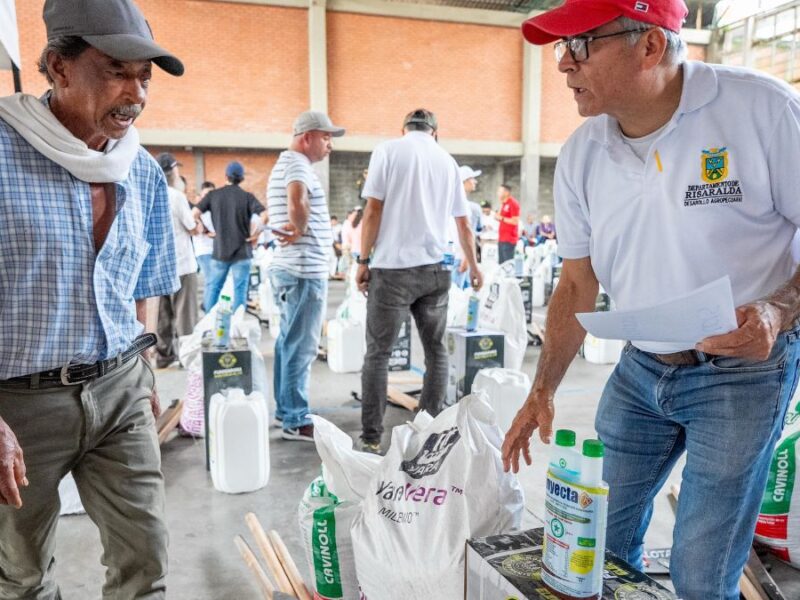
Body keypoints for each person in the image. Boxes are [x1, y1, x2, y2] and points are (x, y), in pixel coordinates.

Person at [502, 1, 800, 598]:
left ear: (650, 46)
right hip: (639, 371)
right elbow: (576, 284)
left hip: (742, 374)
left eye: (581, 44)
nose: (563, 64)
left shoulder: (761, 110)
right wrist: (543, 390)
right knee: (592, 547)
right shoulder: (583, 152)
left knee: (700, 572)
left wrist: (777, 310)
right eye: (561, 47)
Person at [0, 0, 183, 596]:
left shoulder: (142, 170)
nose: (136, 93)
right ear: (58, 65)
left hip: (120, 389)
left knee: (146, 563)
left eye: (144, 78)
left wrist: (145, 369)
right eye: (116, 70)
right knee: (22, 576)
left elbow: (144, 280)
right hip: (20, 406)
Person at [356, 108, 483, 454]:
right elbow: (463, 224)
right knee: (436, 352)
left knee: (378, 354)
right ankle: (426, 430)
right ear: (435, 133)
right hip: (436, 270)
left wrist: (362, 260)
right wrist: (474, 266)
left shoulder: (388, 151)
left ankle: (370, 438)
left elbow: (373, 210)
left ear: (404, 128)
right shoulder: (448, 163)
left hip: (392, 270)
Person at [267, 110, 345, 441]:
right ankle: (296, 419)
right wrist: (299, 228)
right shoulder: (297, 164)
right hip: (302, 270)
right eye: (326, 137)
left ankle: (287, 410)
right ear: (307, 137)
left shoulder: (289, 162)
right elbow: (296, 197)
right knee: (301, 345)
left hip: (293, 268)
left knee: (289, 342)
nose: (330, 145)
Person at [193, 161, 267, 312]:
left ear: (225, 176)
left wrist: (205, 230)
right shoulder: (247, 197)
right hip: (242, 251)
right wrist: (255, 234)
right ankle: (238, 325)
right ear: (241, 179)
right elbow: (265, 215)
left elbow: (194, 213)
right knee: (240, 289)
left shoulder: (213, 195)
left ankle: (209, 323)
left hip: (220, 250)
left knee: (214, 287)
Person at [154, 153, 200, 368]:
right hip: (182, 265)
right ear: (172, 172)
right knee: (185, 316)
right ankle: (187, 357)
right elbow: (192, 228)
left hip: (157, 267)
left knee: (163, 316)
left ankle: (163, 357)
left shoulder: (149, 193)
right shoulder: (176, 196)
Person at [193, 181, 217, 299]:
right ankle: (208, 307)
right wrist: (207, 231)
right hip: (203, 251)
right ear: (201, 196)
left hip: (216, 251)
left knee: (215, 280)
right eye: (206, 194)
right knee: (211, 278)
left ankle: (210, 305)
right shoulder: (197, 212)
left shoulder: (215, 211)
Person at [495, 183, 520, 264]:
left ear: (506, 192)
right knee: (501, 264)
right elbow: (500, 217)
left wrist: (501, 218)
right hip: (501, 238)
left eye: (499, 191)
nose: (497, 193)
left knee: (508, 264)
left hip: (509, 239)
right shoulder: (504, 203)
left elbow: (515, 221)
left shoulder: (513, 203)